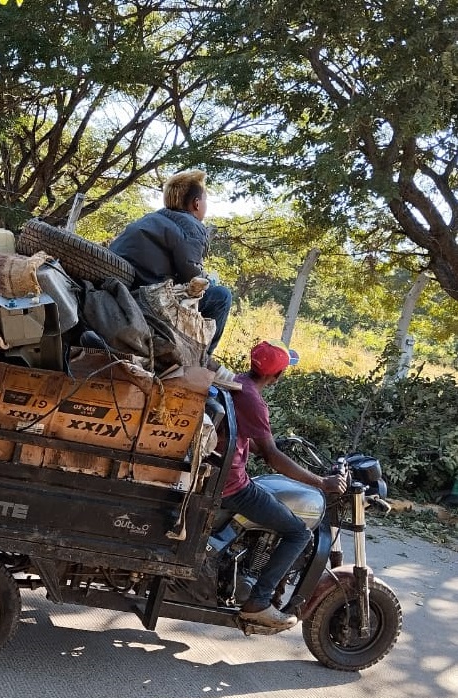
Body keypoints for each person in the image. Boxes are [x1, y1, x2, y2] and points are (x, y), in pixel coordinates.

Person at [219, 339, 346, 629]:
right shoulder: (253, 399)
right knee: (298, 533)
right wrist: (321, 482)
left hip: (222, 474)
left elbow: (250, 439)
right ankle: (258, 602)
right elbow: (273, 456)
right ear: (276, 377)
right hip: (232, 485)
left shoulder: (237, 382)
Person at [109, 169, 232, 356]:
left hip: (123, 291)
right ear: (196, 204)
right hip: (151, 298)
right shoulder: (192, 227)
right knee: (222, 296)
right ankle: (203, 358)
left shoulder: (150, 218)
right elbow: (191, 278)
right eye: (205, 200)